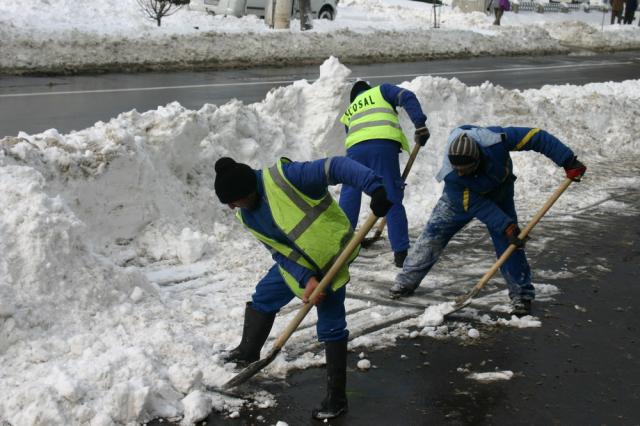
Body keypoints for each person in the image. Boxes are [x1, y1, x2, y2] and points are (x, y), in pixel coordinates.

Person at [214, 155, 392, 420]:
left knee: (331, 325)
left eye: (233, 201)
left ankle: (336, 397)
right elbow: (280, 252)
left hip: (331, 258)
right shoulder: (248, 216)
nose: (231, 207)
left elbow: (336, 166)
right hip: (297, 266)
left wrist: (375, 188)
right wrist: (306, 279)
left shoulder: (287, 178)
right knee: (264, 296)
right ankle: (248, 351)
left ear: (248, 191)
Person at [389, 125, 587, 316]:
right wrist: (505, 224)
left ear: (477, 161)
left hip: (499, 191)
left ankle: (521, 294)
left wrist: (568, 160)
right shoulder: (453, 176)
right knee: (433, 235)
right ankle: (406, 281)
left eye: (464, 169)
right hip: (460, 199)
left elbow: (536, 136)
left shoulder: (495, 141)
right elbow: (477, 205)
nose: (460, 173)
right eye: (457, 169)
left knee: (509, 242)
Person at [338, 80, 430, 268]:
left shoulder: (349, 111)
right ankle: (401, 253)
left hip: (355, 152)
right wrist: (419, 124)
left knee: (350, 195)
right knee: (390, 197)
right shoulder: (381, 91)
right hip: (382, 147)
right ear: (367, 90)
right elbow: (407, 96)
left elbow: (352, 135)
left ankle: (342, 248)